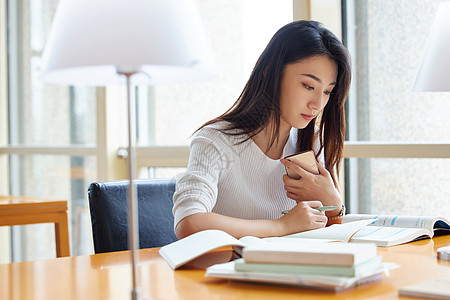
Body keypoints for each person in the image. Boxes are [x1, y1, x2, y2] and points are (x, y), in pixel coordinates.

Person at [173, 20, 351, 239]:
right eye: (308, 86)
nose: (317, 104)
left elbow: (332, 240)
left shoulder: (311, 144)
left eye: (327, 91)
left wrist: (334, 204)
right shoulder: (216, 141)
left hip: (295, 270)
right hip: (232, 271)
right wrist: (281, 227)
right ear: (269, 72)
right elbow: (189, 223)